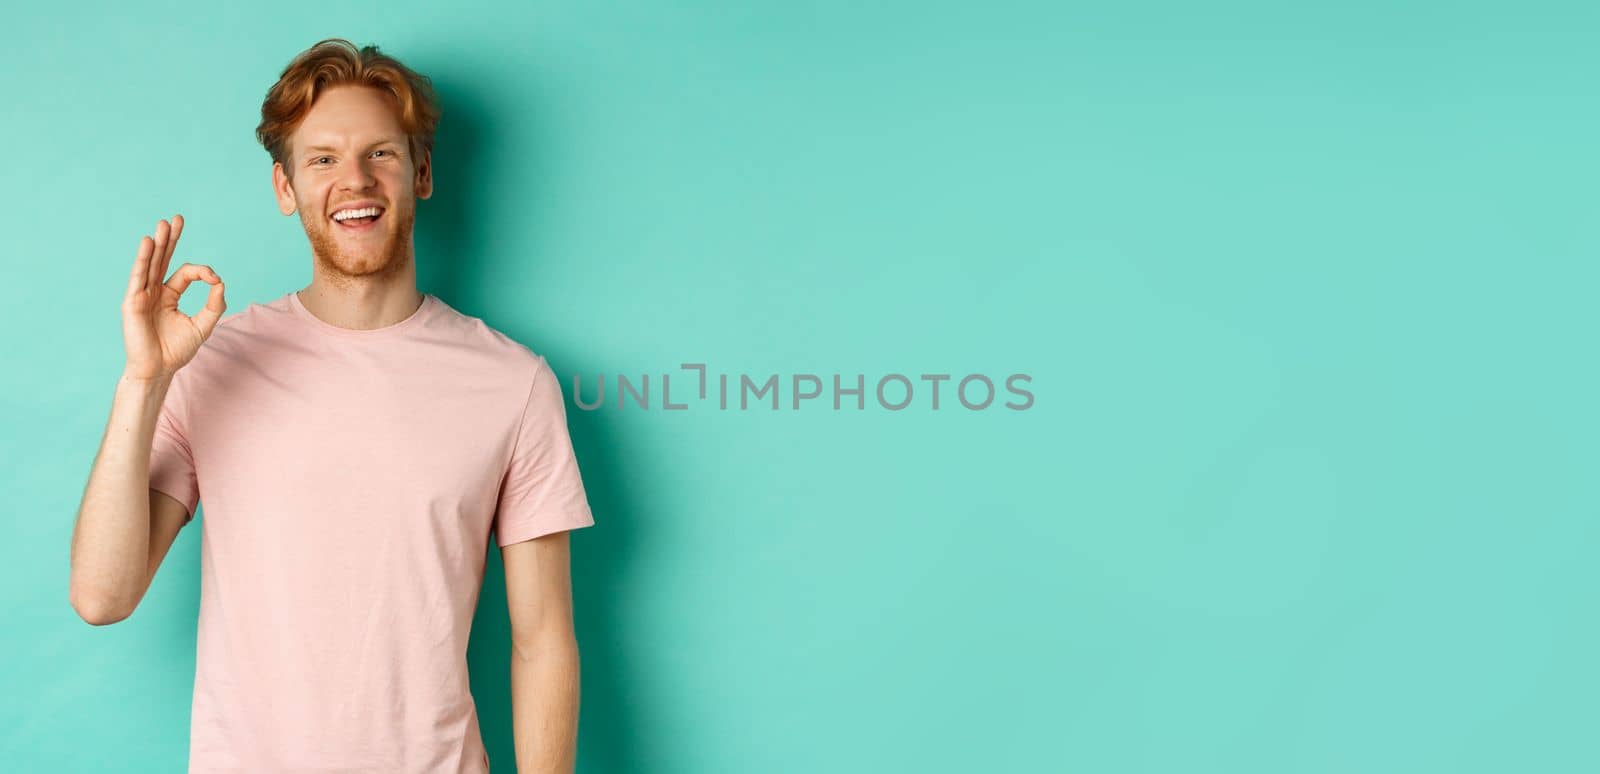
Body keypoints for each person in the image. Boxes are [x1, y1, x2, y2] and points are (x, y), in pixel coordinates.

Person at [67, 38, 594, 773]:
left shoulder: (513, 382)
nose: (355, 181)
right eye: (322, 159)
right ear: (285, 188)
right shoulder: (213, 363)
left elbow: (542, 640)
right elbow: (101, 593)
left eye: (381, 153)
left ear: (422, 173)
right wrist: (144, 381)